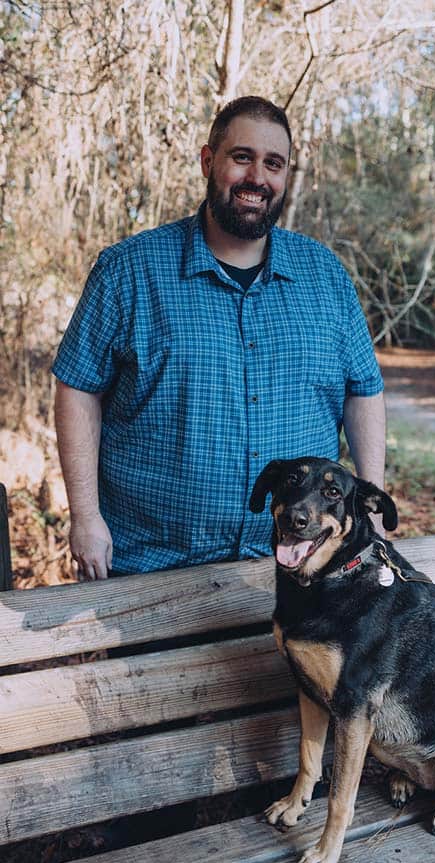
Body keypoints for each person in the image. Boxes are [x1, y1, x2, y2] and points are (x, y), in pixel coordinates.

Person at [53, 96, 386, 580]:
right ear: (209, 161)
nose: (258, 177)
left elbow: (364, 391)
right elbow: (77, 388)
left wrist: (370, 504)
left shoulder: (326, 277)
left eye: (274, 163)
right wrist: (85, 517)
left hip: (301, 573)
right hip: (153, 566)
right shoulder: (128, 271)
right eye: (242, 157)